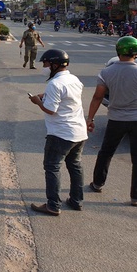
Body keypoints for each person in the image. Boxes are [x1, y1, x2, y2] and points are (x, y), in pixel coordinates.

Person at [28, 49, 87, 215]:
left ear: (54, 64)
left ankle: (53, 205)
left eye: (45, 64)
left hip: (61, 133)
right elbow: (66, 100)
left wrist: (38, 101)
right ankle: (76, 201)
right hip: (79, 132)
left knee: (52, 167)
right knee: (75, 166)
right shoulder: (74, 79)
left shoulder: (54, 84)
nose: (44, 67)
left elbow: (50, 109)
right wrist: (45, 95)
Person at [86, 36, 137, 206]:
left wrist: (90, 118)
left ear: (118, 51)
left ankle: (98, 183)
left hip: (116, 119)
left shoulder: (107, 72)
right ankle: (135, 197)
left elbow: (97, 97)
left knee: (106, 153)